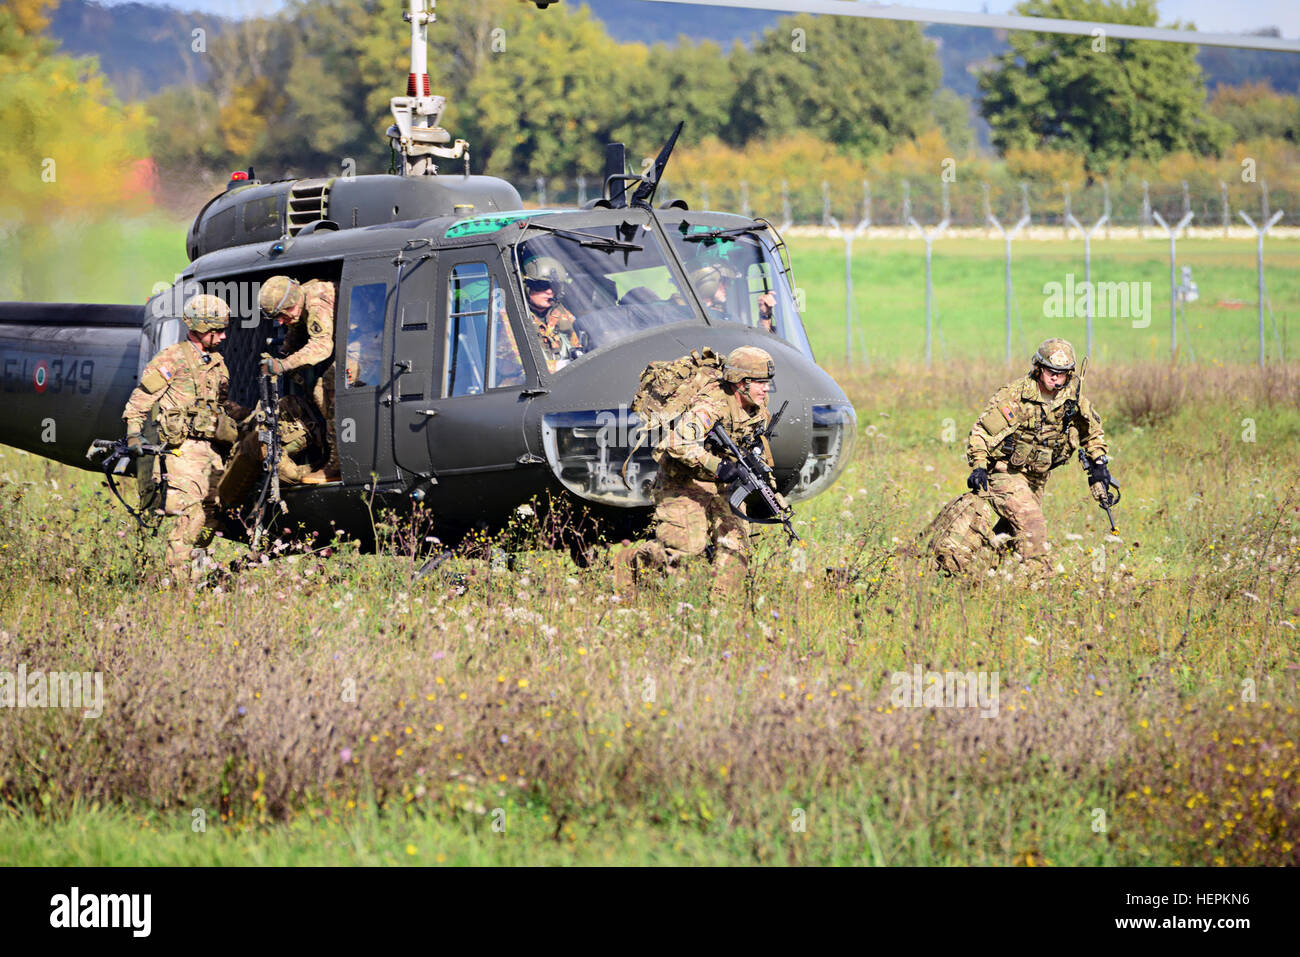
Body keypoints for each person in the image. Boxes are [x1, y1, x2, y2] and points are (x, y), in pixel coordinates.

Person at [617, 345, 776, 599]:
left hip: (723, 484)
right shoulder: (710, 406)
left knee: (737, 546)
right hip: (684, 481)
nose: (766, 389)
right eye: (760, 383)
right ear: (740, 383)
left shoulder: (757, 407)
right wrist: (718, 466)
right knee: (686, 548)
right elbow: (676, 443)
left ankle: (720, 612)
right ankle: (633, 561)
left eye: (768, 383)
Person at [121, 294, 248, 584]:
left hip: (212, 450)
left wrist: (248, 416)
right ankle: (180, 587)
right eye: (218, 330)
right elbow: (141, 398)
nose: (224, 336)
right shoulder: (172, 358)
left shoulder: (217, 362)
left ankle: (196, 572)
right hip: (182, 450)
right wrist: (133, 434)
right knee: (192, 516)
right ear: (201, 328)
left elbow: (222, 404)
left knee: (213, 512)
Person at [962, 337, 1112, 578]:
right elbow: (981, 432)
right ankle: (1040, 581)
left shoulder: (1072, 401)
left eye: (1062, 374)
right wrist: (979, 466)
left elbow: (1092, 433)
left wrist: (1099, 466)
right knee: (1032, 524)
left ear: (1069, 374)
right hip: (1005, 473)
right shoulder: (1016, 396)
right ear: (1039, 369)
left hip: (1037, 478)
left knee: (1010, 534)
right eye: (1051, 372)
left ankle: (972, 574)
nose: (1055, 378)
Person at [258, 275, 339, 480]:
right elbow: (295, 333)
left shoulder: (315, 301)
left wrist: (283, 365)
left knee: (328, 386)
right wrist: (285, 354)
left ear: (292, 303)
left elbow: (322, 346)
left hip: (369, 339)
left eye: (282, 314)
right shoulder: (301, 300)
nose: (280, 321)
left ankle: (338, 463)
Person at [521, 256, 580, 371]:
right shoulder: (512, 317)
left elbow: (577, 346)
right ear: (526, 286)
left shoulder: (561, 312)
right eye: (542, 285)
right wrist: (557, 367)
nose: (550, 291)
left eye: (554, 286)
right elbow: (512, 365)